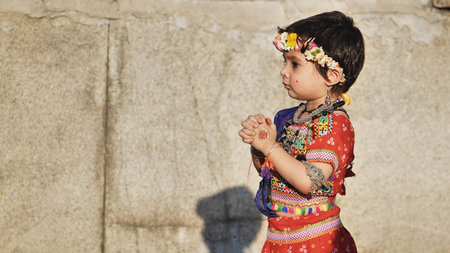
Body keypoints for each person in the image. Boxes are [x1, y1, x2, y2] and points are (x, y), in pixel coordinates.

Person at [238, 11, 365, 252]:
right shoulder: (290, 118)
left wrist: (271, 147)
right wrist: (259, 145)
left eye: (295, 64)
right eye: (285, 62)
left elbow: (308, 181)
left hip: (317, 242)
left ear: (332, 75)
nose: (284, 71)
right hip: (279, 239)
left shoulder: (335, 125)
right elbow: (274, 172)